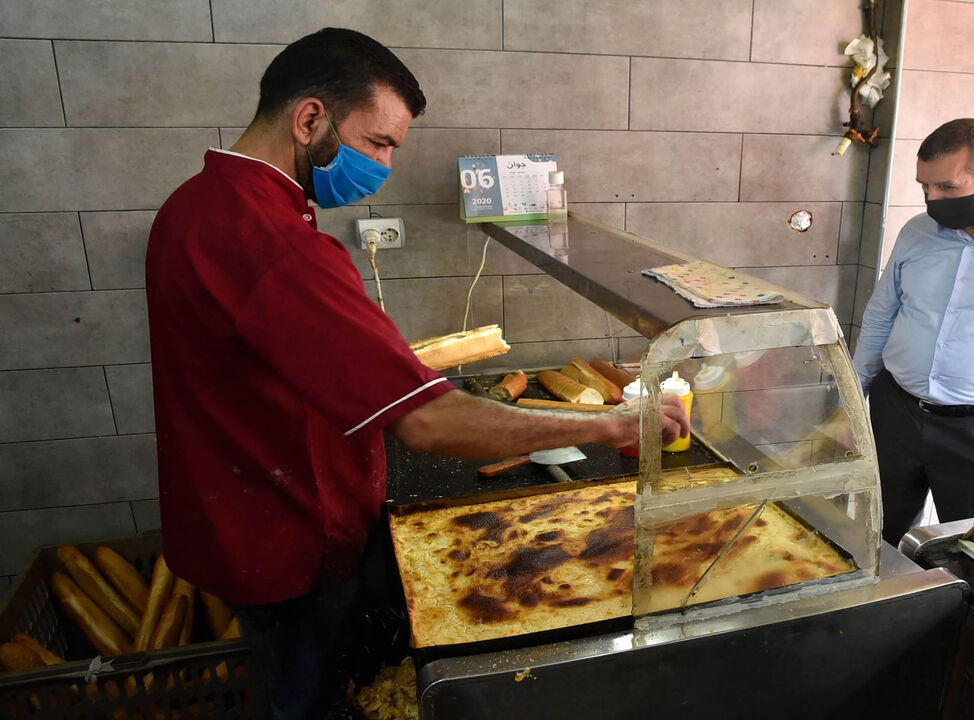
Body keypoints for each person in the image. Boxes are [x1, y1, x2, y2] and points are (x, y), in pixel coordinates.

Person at [144, 28, 688, 719]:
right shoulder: (277, 244)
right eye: (379, 143)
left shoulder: (192, 206)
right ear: (310, 117)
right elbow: (429, 423)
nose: (384, 166)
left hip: (237, 519)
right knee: (313, 703)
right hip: (290, 541)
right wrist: (612, 421)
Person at [852, 118, 974, 546]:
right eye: (924, 187)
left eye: (947, 187)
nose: (932, 199)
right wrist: (854, 389)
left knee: (973, 544)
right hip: (896, 408)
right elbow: (882, 312)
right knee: (879, 526)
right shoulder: (918, 232)